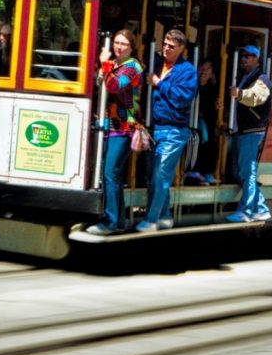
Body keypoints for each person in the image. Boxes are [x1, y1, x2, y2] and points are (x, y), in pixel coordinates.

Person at [137, 29, 198, 233]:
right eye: (164, 44)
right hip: (156, 128)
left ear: (182, 49)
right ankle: (164, 217)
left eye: (171, 46)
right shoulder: (157, 64)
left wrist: (158, 84)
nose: (166, 48)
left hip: (174, 130)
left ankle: (151, 220)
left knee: (160, 176)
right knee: (155, 175)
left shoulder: (187, 71)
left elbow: (182, 98)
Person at [86, 29, 144, 235]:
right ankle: (117, 219)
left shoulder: (132, 67)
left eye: (123, 44)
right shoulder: (117, 65)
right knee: (112, 175)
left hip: (123, 126)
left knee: (110, 173)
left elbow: (114, 86)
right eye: (116, 43)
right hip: (109, 126)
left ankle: (110, 221)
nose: (118, 47)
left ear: (131, 47)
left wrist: (104, 63)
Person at [226, 45, 272, 223]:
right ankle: (260, 208)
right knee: (246, 171)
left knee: (248, 171)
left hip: (252, 132)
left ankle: (246, 211)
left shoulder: (262, 79)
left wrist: (240, 94)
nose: (244, 58)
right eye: (243, 55)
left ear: (257, 59)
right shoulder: (245, 77)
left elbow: (257, 97)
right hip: (245, 130)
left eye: (249, 56)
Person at [187, 58, 221, 185]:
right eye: (201, 68)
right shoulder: (191, 86)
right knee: (201, 136)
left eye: (207, 69)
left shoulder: (212, 89)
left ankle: (207, 172)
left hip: (205, 123)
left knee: (212, 137)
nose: (203, 72)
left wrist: (218, 106)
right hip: (191, 123)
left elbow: (214, 108)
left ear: (212, 73)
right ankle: (193, 170)